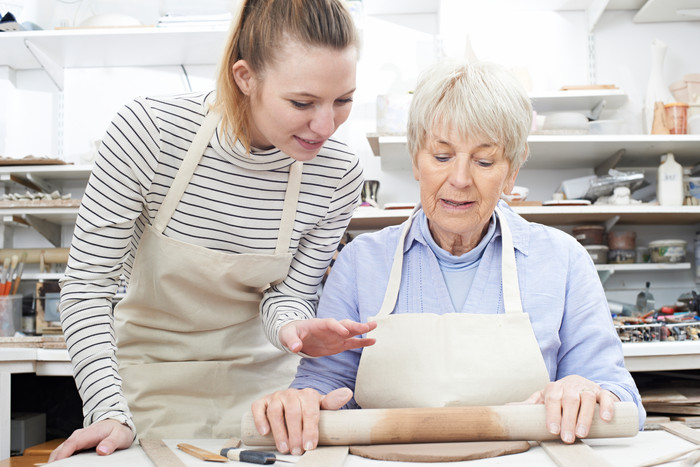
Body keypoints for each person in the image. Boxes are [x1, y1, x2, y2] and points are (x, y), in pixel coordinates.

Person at [252, 59, 646, 456]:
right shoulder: (360, 263)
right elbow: (324, 390)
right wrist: (300, 403)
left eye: (484, 161)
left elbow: (620, 396)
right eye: (441, 157)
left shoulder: (562, 261)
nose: (459, 179)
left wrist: (588, 391)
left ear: (512, 170)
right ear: (416, 160)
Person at [51, 0, 377, 461]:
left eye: (343, 100)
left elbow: (285, 297)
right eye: (302, 102)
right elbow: (86, 288)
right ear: (245, 77)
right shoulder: (150, 134)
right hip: (145, 393)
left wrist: (295, 328)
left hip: (265, 406)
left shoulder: (338, 172)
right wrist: (107, 410)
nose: (325, 125)